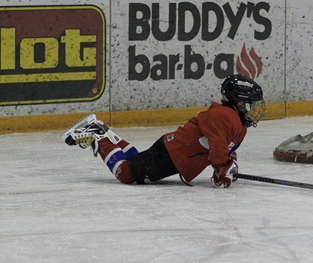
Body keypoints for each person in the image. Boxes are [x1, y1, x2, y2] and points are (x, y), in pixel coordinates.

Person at [62, 74, 265, 188]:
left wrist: (229, 164)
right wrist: (223, 166)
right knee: (126, 174)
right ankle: (98, 135)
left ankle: (106, 132)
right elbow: (218, 148)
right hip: (173, 154)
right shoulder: (224, 116)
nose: (253, 110)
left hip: (174, 153)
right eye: (250, 104)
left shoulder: (236, 123)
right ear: (238, 102)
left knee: (134, 162)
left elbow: (224, 148)